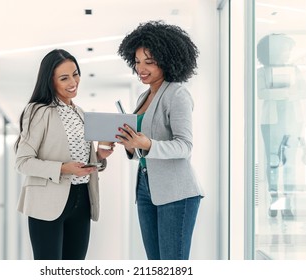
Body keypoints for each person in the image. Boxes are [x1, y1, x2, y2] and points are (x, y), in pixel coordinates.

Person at [14, 49, 114, 260]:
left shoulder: (81, 113)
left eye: (75, 74)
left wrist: (100, 156)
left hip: (82, 200)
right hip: (47, 201)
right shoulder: (38, 111)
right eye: (64, 78)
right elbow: (23, 162)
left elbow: (84, 160)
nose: (73, 82)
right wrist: (62, 168)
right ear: (50, 80)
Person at [116, 20, 204, 260]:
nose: (141, 68)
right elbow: (142, 146)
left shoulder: (177, 94)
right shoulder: (145, 95)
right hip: (146, 186)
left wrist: (147, 144)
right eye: (137, 61)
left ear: (167, 60)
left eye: (149, 62)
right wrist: (131, 145)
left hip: (177, 192)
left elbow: (184, 146)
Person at [256, 34, 306, 219]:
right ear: (275, 51)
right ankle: (275, 202)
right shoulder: (262, 72)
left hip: (293, 121)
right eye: (286, 50)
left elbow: (304, 91)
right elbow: (262, 93)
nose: (288, 54)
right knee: (273, 163)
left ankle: (287, 205)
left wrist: (280, 93)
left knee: (290, 164)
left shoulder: (295, 70)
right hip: (271, 122)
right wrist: (288, 93)